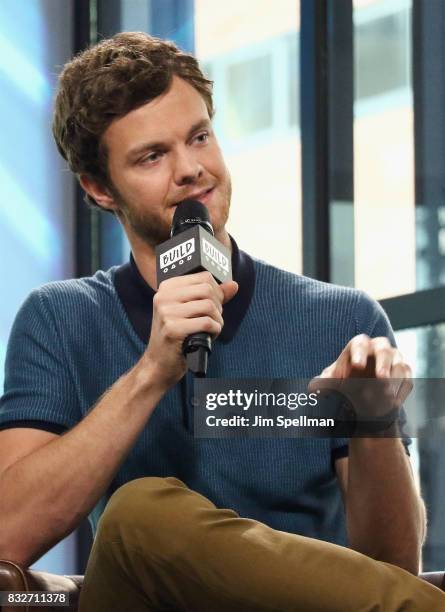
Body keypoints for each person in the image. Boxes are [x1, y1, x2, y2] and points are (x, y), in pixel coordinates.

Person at [0, 32, 443, 611]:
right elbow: (8, 537)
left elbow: (392, 569)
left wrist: (374, 421)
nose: (191, 169)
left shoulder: (342, 318)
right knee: (139, 512)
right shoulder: (60, 319)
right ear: (99, 188)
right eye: (152, 156)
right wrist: (152, 372)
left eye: (200, 137)